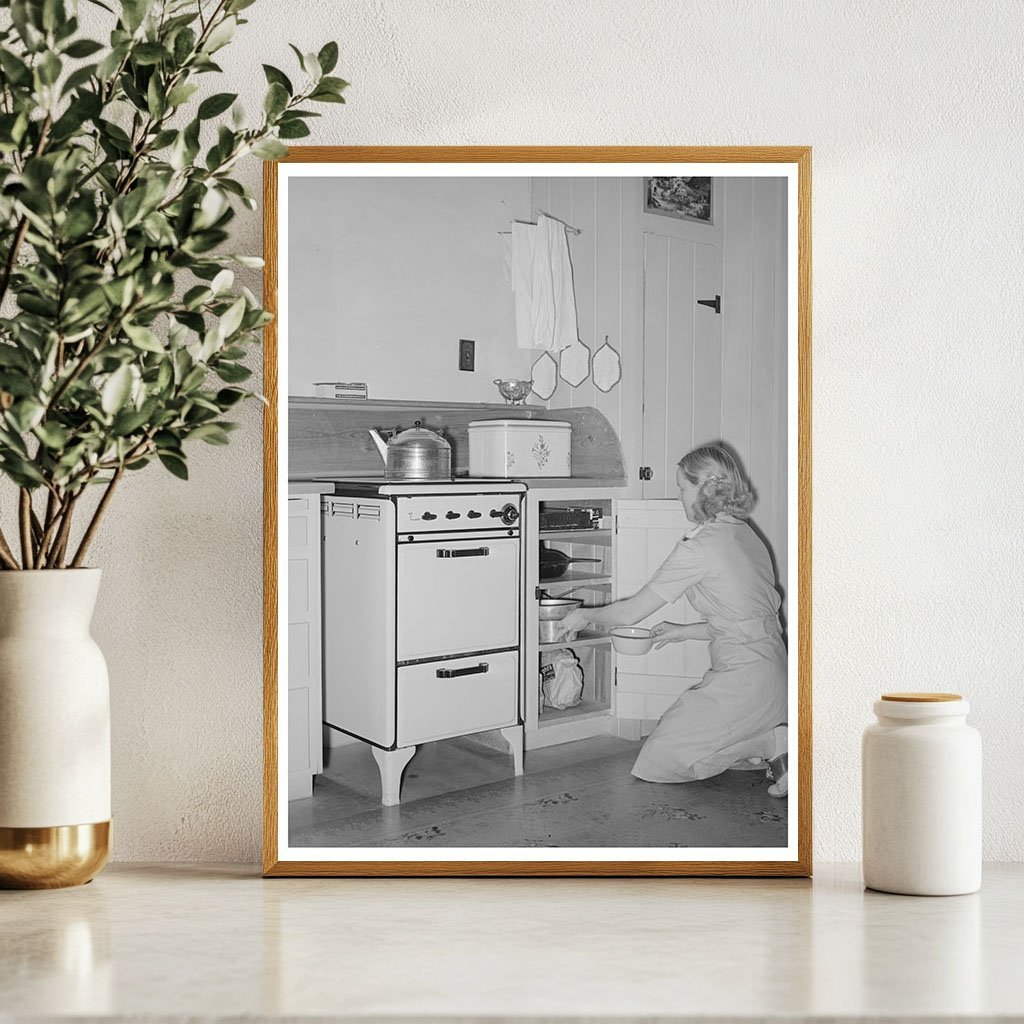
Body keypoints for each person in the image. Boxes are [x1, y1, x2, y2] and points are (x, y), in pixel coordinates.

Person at [557, 443, 789, 797]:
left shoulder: (699, 548)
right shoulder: (745, 533)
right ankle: (773, 746)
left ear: (705, 488)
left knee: (659, 761)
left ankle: (773, 742)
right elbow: (745, 617)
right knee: (695, 745)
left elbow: (631, 612)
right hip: (774, 672)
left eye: (682, 487)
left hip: (745, 681)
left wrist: (583, 615)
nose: (678, 496)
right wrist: (683, 632)